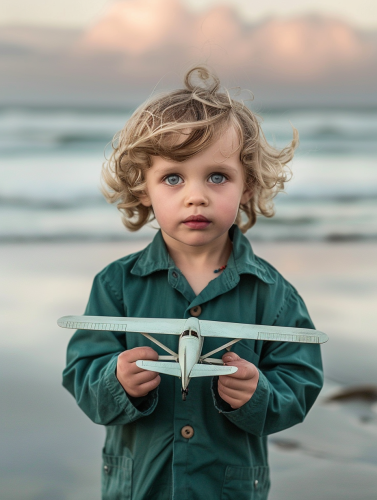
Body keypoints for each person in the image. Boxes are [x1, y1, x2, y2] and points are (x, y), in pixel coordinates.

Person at [62, 66, 323, 500]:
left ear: (247, 185)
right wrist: (115, 379)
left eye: (217, 176)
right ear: (143, 189)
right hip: (140, 487)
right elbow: (81, 375)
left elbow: (301, 381)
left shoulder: (273, 293)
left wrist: (259, 393)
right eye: (173, 178)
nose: (196, 195)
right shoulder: (114, 285)